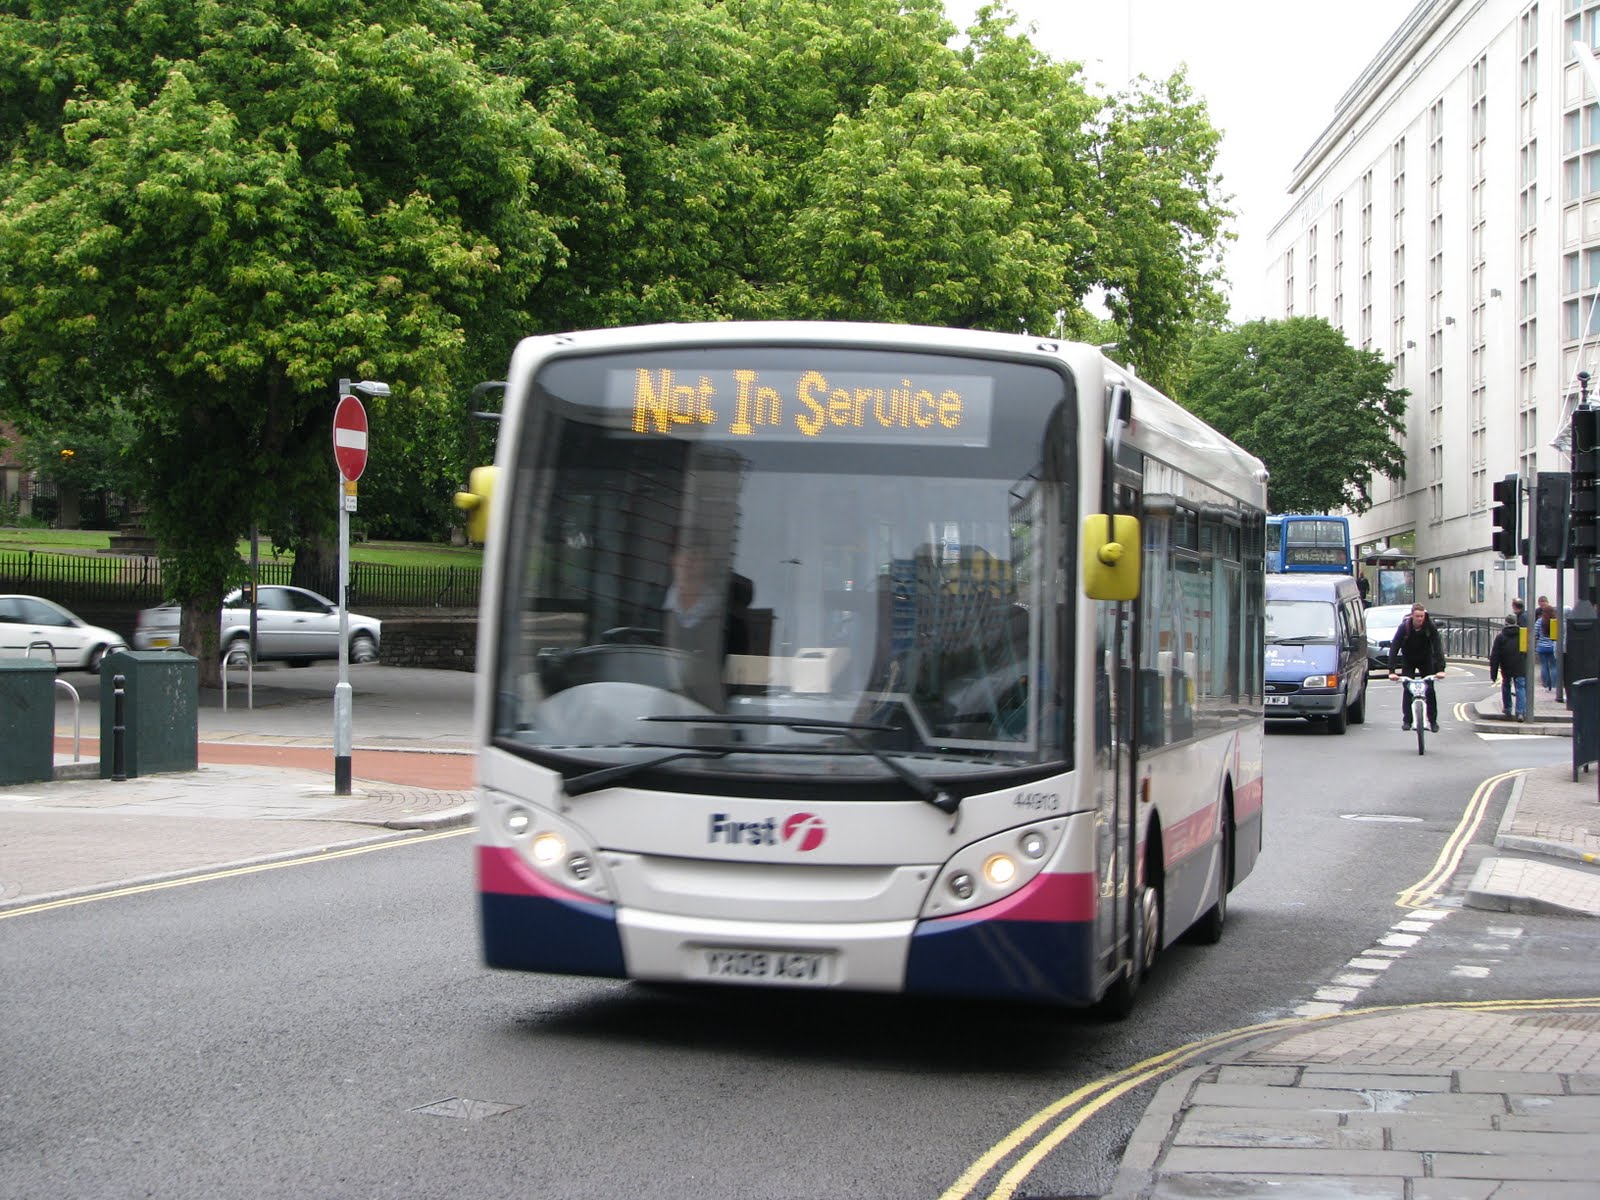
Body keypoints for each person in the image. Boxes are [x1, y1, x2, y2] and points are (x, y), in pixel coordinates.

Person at [1389, 602, 1446, 733]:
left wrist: (1441, 669)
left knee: (1430, 689)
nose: (1420, 619)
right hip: (1408, 659)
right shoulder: (1404, 627)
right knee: (1408, 689)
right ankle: (1407, 721)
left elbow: (1437, 646)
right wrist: (1391, 671)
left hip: (1426, 659)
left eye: (1422, 616)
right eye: (1417, 616)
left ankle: (1433, 721)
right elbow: (1394, 647)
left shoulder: (1429, 626)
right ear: (1412, 616)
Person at [1488, 613, 1528, 722]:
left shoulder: (1501, 637)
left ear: (1505, 623)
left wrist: (1493, 673)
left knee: (1506, 686)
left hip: (1506, 666)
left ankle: (1507, 709)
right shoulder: (1522, 635)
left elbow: (1495, 656)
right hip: (1520, 665)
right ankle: (1520, 712)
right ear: (1516, 623)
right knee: (1520, 688)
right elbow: (1527, 652)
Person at [1535, 599, 1558, 691]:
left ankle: (1545, 685)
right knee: (1553, 666)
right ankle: (1553, 686)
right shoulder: (1555, 621)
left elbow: (1535, 632)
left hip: (1541, 647)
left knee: (1544, 666)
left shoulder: (1540, 621)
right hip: (1553, 646)